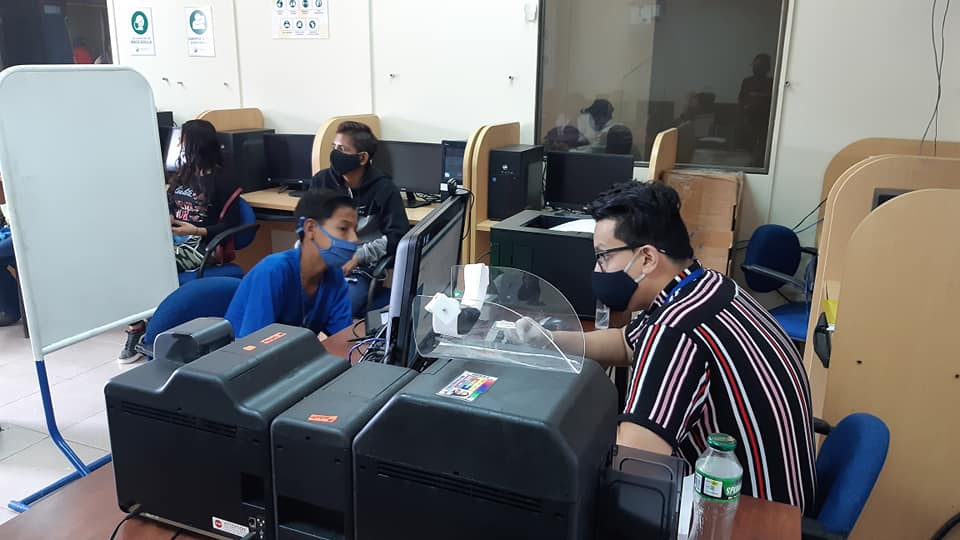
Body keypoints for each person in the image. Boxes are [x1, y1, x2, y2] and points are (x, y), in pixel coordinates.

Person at [517, 181, 816, 511]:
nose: (596, 269)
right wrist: (547, 340)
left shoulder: (674, 330)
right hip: (783, 499)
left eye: (603, 257)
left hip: (745, 516)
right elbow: (626, 343)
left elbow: (633, 463)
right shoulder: (709, 287)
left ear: (646, 258)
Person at [118, 119, 242, 362]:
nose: (179, 146)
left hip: (201, 246)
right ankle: (137, 326)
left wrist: (196, 230)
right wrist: (165, 217)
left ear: (196, 145)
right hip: (174, 239)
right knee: (128, 261)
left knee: (151, 265)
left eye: (183, 141)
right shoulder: (182, 175)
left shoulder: (224, 180)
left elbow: (231, 225)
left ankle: (154, 329)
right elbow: (169, 205)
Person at [309, 121, 409, 318]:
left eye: (342, 149)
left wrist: (358, 257)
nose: (335, 154)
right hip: (321, 261)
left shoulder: (384, 189)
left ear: (362, 158)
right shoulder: (322, 181)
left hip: (360, 269)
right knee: (286, 296)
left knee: (337, 307)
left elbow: (397, 237)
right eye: (334, 147)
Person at [225, 189, 356, 339]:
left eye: (355, 230)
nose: (354, 238)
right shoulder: (273, 271)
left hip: (294, 352)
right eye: (343, 229)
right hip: (243, 351)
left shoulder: (334, 275)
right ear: (310, 229)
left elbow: (344, 339)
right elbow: (255, 344)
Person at [739, 53, 774, 166]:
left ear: (767, 68)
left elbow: (773, 102)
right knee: (747, 150)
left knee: (762, 150)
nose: (755, 68)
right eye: (754, 65)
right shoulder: (747, 81)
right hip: (749, 119)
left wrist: (760, 100)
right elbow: (741, 100)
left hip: (765, 121)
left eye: (759, 65)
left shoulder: (771, 83)